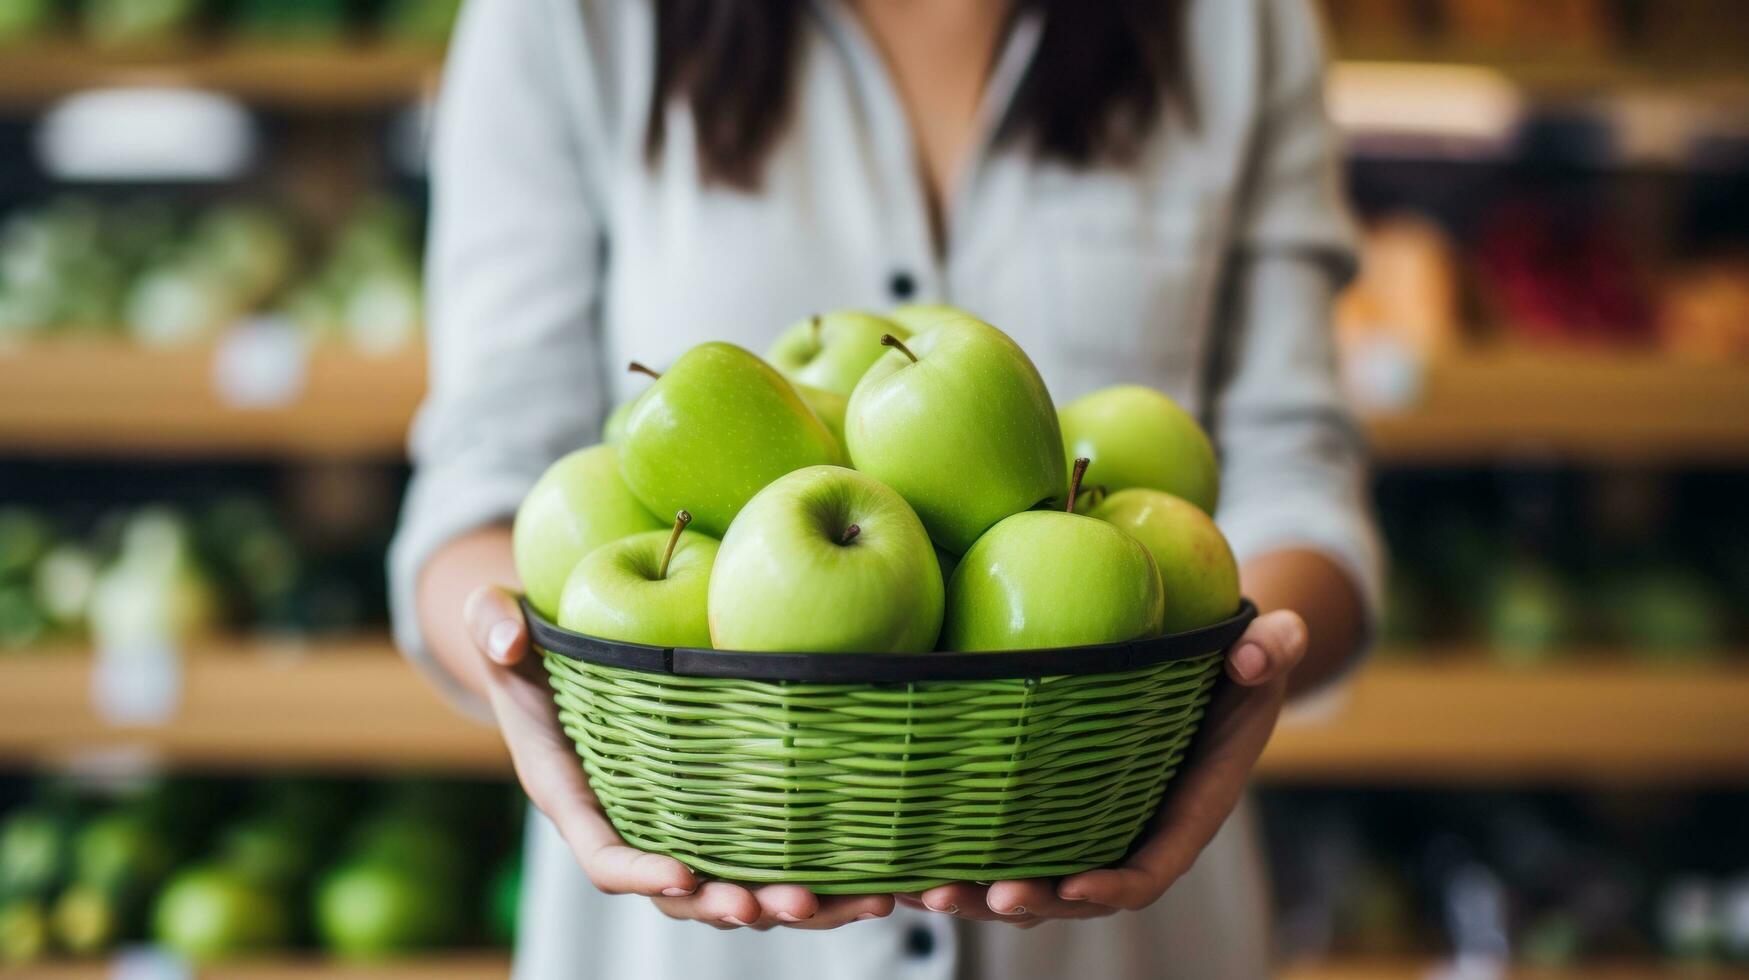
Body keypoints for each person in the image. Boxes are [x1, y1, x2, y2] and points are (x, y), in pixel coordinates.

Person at [389, 0, 1381, 976]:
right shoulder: (568, 18)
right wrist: (519, 666)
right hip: (694, 901)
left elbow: (1292, 467)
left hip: (1114, 885)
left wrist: (1243, 664)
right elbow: (482, 468)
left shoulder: (1234, 20)